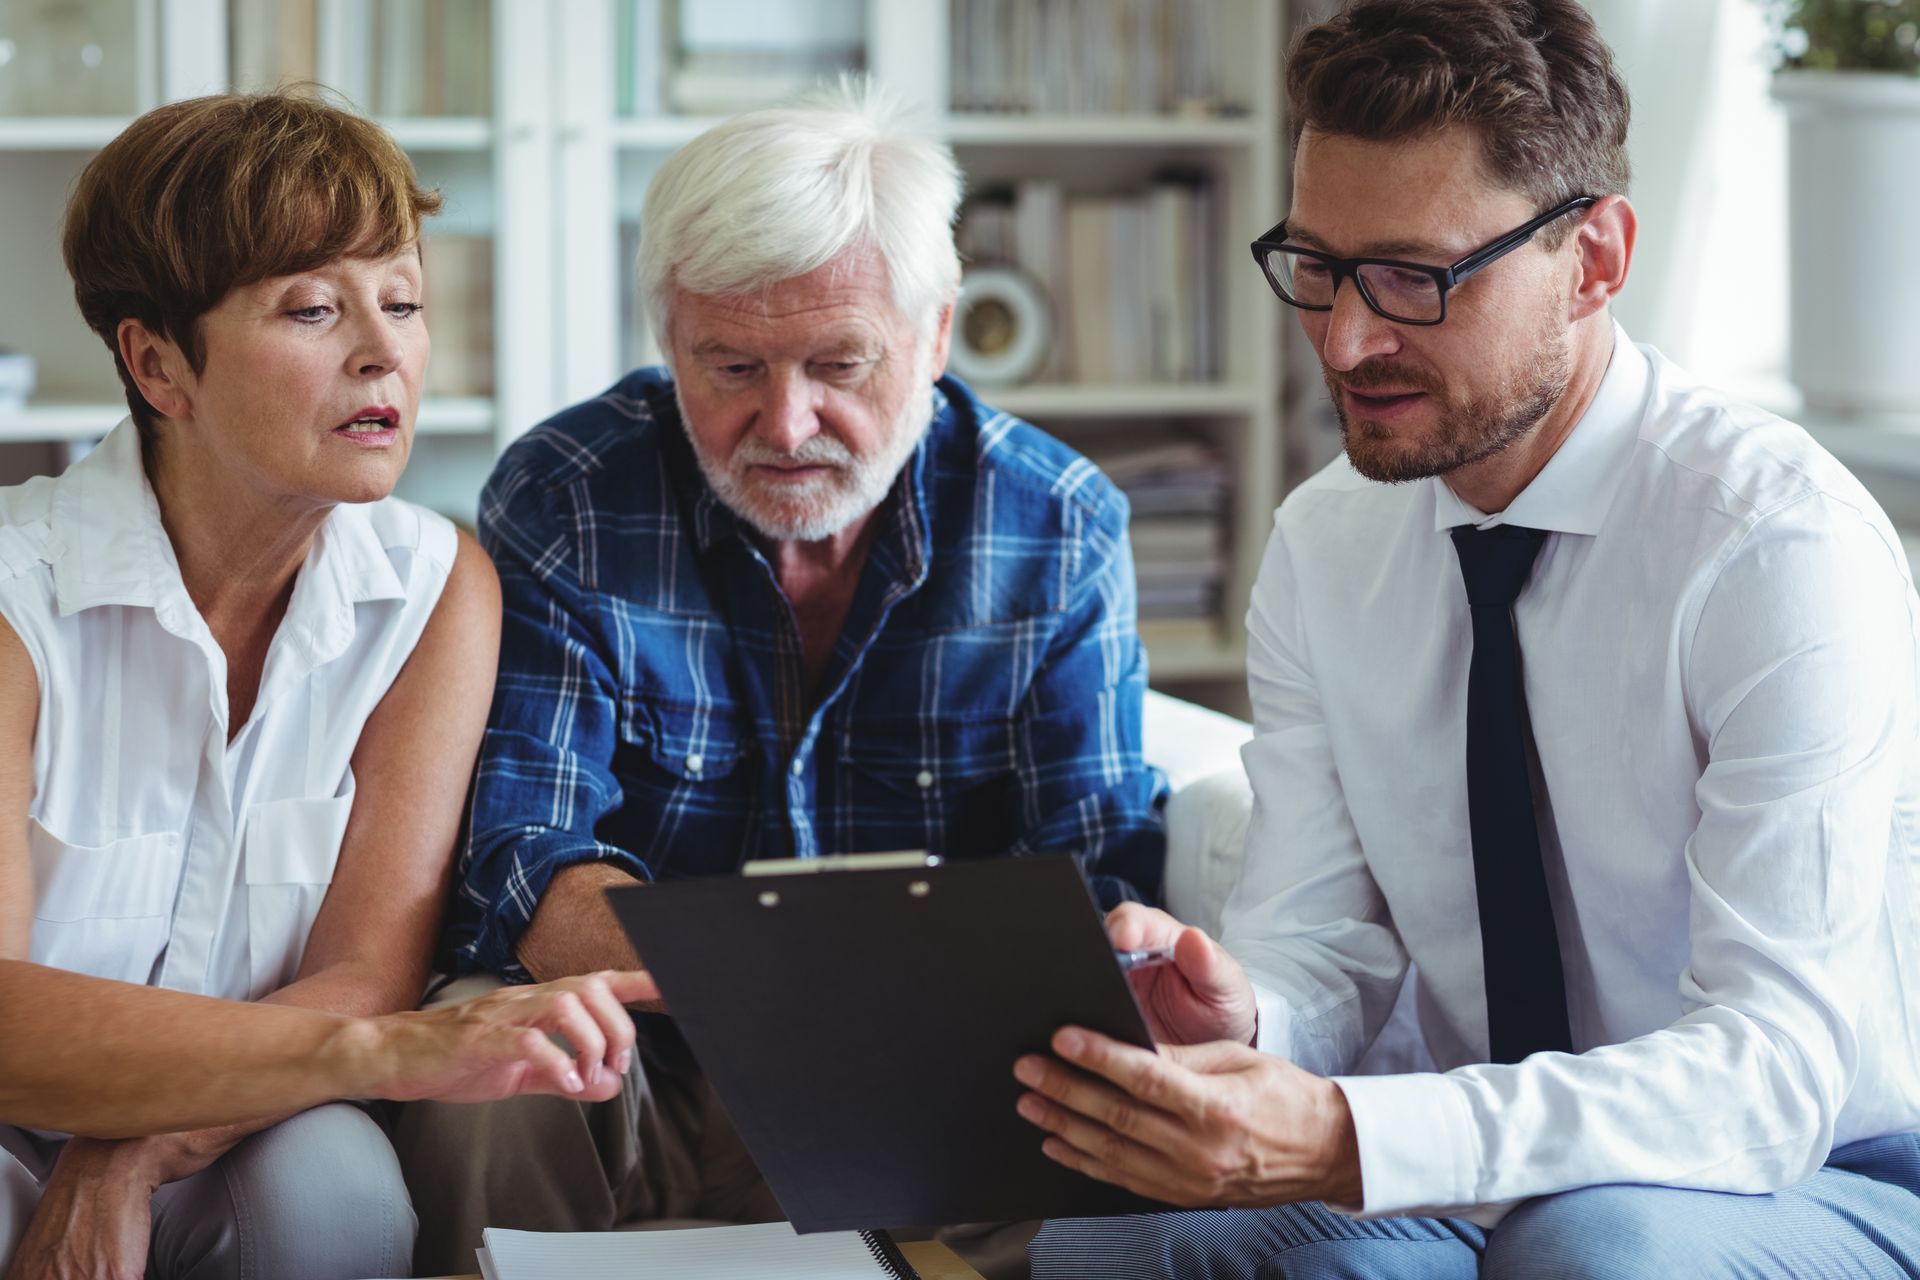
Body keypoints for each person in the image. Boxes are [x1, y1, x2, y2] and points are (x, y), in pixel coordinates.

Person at [1014, 2, 1920, 1277]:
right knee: (1121, 1246)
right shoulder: (1326, 543)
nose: (1345, 340)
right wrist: (1254, 1010)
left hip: (1818, 1168)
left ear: (1595, 259)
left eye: (1413, 277)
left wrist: (1344, 1133)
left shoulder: (1774, 547)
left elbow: (1772, 1072)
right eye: (1317, 267)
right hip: (1458, 1158)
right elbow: (1325, 940)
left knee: (1592, 1247)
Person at [395, 80, 1166, 1274]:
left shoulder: (1057, 524)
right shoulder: (569, 496)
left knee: (1111, 1162)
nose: (787, 422)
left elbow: (1096, 876)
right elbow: (520, 850)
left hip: (931, 1063)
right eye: (731, 364)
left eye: (838, 364)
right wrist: (755, 983)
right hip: (630, 1047)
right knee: (475, 1087)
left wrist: (880, 1005)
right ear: (667, 341)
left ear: (939, 331)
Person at [0, 91, 647, 1280]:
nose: (382, 349)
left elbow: (366, 972)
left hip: (253, 1121)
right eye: (312, 308)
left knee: (335, 1184)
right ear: (157, 365)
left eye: (400, 301)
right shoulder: (13, 594)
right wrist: (375, 1049)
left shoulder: (437, 585)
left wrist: (134, 1148)